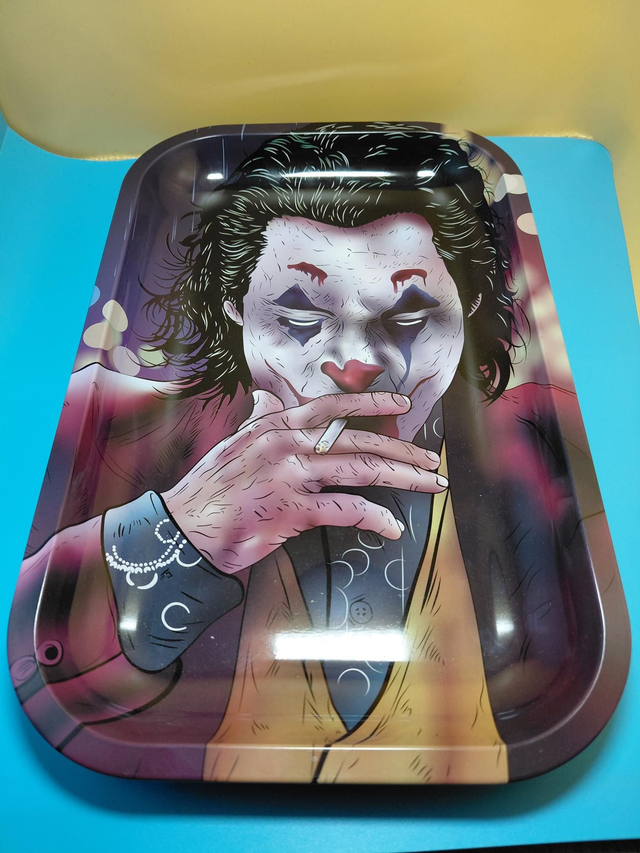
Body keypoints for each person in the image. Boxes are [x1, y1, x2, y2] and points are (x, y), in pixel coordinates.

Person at [8, 124, 600, 783]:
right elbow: (41, 654)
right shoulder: (113, 426)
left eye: (408, 318)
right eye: (298, 315)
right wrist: (180, 531)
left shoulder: (546, 440)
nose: (355, 362)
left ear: (469, 308)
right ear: (235, 307)